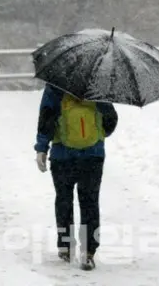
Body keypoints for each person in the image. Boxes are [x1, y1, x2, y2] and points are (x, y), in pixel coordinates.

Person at [34, 83, 118, 270]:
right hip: (93, 154)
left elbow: (46, 117)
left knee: (64, 200)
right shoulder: (98, 83)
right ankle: (88, 251)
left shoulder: (56, 84)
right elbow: (111, 120)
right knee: (90, 202)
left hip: (61, 154)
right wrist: (98, 135)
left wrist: (41, 148)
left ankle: (65, 246)